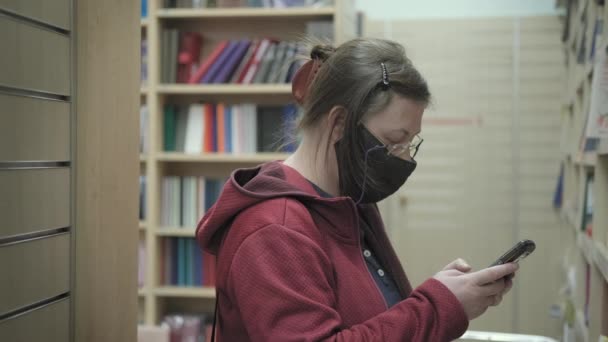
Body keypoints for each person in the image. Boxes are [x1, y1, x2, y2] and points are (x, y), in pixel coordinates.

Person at [196, 37, 518, 341]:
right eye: (394, 142)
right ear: (338, 124)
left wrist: (445, 294)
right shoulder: (275, 229)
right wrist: (439, 306)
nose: (405, 158)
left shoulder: (349, 201)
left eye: (410, 143)